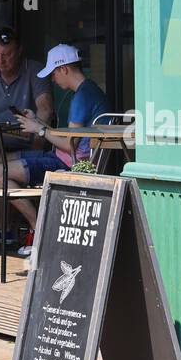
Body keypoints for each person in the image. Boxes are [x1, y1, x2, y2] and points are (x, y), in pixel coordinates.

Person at [11, 43, 112, 250]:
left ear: (63, 69)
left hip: (70, 164)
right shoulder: (89, 90)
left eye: (53, 74)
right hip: (72, 159)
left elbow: (69, 146)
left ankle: (38, 230)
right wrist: (40, 124)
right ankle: (39, 229)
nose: (53, 80)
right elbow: (72, 139)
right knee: (2, 163)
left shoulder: (82, 96)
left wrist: (38, 130)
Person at [0, 26, 54, 244]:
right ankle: (2, 228)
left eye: (6, 55)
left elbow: (45, 108)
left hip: (26, 144)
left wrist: (38, 130)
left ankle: (8, 227)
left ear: (19, 52)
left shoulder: (33, 70)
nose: (1, 60)